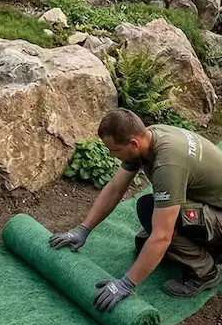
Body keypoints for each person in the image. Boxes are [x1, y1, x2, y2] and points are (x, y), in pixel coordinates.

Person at [50, 108, 222, 312]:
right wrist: (82, 229)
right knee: (147, 207)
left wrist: (126, 284)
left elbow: (161, 236)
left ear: (132, 144)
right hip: (210, 201)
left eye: (114, 150)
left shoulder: (168, 164)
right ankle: (201, 245)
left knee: (157, 226)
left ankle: (205, 271)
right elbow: (115, 188)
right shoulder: (147, 137)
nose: (112, 155)